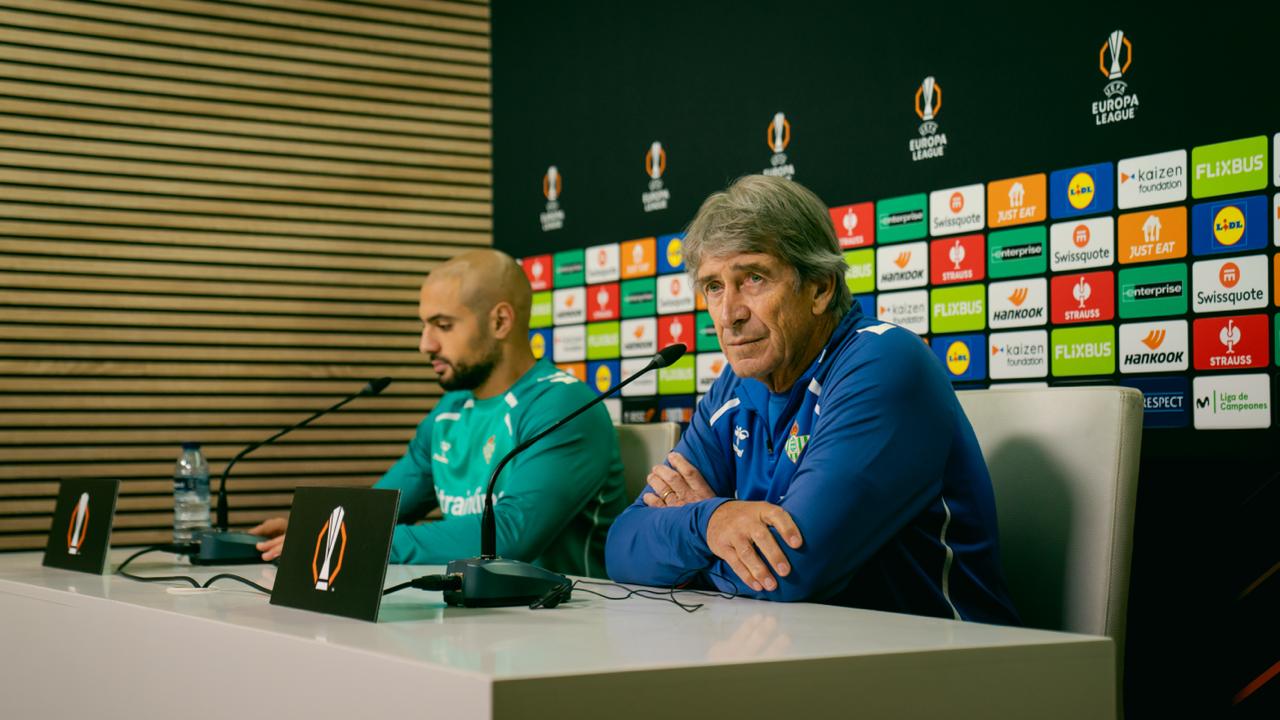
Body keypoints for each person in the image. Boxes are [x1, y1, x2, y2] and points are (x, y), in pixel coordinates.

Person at [605, 175, 1019, 624]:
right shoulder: (734, 388)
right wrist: (712, 521)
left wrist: (686, 547)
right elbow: (623, 547)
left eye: (754, 278)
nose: (729, 314)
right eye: (714, 286)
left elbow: (790, 570)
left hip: (948, 653)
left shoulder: (884, 362)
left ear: (820, 288)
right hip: (803, 647)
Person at [252, 249, 626, 578]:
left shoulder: (563, 405)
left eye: (443, 326)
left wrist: (356, 539)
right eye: (424, 325)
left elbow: (508, 536)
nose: (425, 344)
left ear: (500, 322)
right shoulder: (451, 409)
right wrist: (317, 530)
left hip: (565, 620)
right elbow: (379, 509)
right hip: (478, 616)